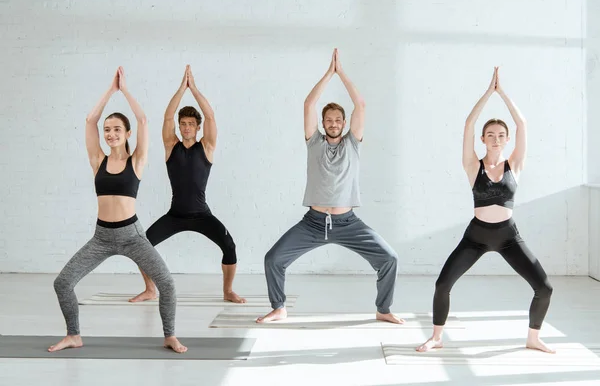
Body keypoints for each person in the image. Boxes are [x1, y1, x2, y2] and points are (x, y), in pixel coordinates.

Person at [257, 49, 402, 324]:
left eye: (338, 120)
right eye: (329, 120)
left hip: (348, 223)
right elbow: (308, 105)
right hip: (313, 223)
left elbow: (360, 104)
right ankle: (279, 307)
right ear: (323, 124)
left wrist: (341, 73)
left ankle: (383, 309)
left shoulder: (352, 143)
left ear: (344, 123)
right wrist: (328, 74)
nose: (333, 124)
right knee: (273, 259)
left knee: (389, 259)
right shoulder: (314, 143)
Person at [416, 67, 554, 354]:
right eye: (490, 134)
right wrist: (487, 93)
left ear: (507, 140)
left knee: (544, 287)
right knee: (443, 284)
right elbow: (468, 123)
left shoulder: (514, 165)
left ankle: (533, 337)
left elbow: (523, 124)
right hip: (476, 237)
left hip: (508, 236)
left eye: (501, 135)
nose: (495, 138)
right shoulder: (472, 165)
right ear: (483, 139)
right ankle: (437, 336)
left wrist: (502, 93)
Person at [49, 67, 187, 353]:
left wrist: (125, 91)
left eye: (116, 130)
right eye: (107, 130)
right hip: (101, 237)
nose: (110, 134)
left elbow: (144, 119)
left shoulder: (136, 161)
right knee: (63, 283)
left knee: (167, 283)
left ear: (127, 134)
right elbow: (90, 120)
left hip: (132, 235)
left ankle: (170, 335)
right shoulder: (97, 159)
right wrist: (110, 92)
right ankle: (73, 334)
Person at [128, 65, 245, 304]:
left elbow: (211, 116)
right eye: (183, 123)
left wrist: (196, 89)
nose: (186, 127)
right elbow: (167, 117)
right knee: (141, 246)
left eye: (191, 124)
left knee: (229, 246)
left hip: (202, 214)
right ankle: (150, 289)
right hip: (176, 215)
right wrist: (182, 89)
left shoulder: (207, 147)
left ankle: (227, 291)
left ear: (198, 127)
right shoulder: (171, 146)